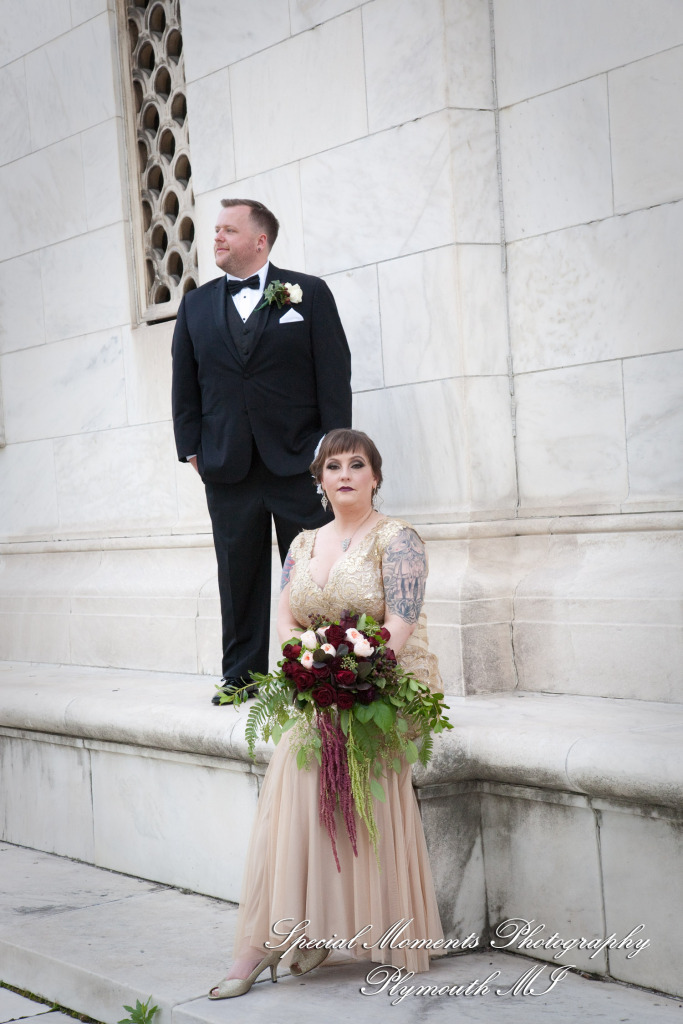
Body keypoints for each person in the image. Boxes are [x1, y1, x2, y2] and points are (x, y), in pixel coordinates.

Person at [209, 429, 445, 999]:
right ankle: (269, 940)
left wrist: (356, 670)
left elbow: (401, 625)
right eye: (332, 466)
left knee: (349, 778)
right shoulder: (302, 544)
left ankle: (368, 932)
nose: (344, 474)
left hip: (385, 689)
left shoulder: (398, 539)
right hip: (321, 687)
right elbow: (286, 617)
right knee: (295, 773)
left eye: (356, 464)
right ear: (319, 482)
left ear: (375, 477)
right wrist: (308, 662)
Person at [171, 200, 352, 704]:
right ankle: (241, 677)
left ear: (261, 241)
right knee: (238, 573)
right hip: (227, 466)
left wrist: (330, 453)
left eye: (229, 230)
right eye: (216, 231)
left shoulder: (309, 294)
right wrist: (193, 450)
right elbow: (184, 386)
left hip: (299, 463)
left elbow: (334, 376)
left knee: (312, 576)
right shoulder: (195, 306)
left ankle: (315, 677)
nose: (217, 238)